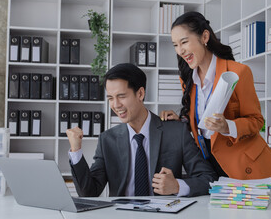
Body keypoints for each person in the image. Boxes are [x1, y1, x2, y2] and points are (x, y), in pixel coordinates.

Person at [160, 11, 271, 181]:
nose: (180, 50)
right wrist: (182, 121)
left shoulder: (238, 72)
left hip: (240, 163)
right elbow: (200, 122)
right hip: (207, 163)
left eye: (184, 42)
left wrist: (228, 127)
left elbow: (256, 121)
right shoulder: (187, 78)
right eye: (175, 45)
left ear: (204, 37)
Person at [66, 63, 217, 197]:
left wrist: (177, 186)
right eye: (110, 98)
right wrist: (76, 150)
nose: (115, 105)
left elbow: (208, 178)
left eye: (121, 96)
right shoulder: (108, 140)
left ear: (140, 94)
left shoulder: (176, 132)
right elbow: (88, 192)